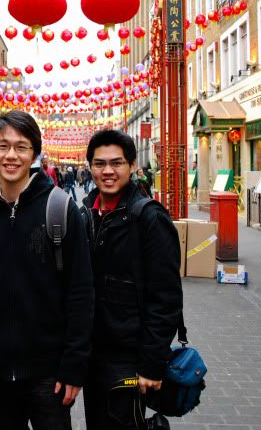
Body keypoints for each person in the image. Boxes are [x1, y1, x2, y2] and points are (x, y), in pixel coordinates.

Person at [0, 110, 93, 430]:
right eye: (3, 146)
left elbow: (81, 292)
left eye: (21, 147)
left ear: (34, 154)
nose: (11, 155)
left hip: (49, 376)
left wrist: (73, 365)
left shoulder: (60, 207)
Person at [79, 130, 183, 430]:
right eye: (99, 164)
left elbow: (166, 298)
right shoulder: (86, 213)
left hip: (129, 357)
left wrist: (152, 364)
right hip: (94, 352)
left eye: (117, 163)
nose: (108, 171)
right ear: (90, 167)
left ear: (133, 166)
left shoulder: (149, 218)